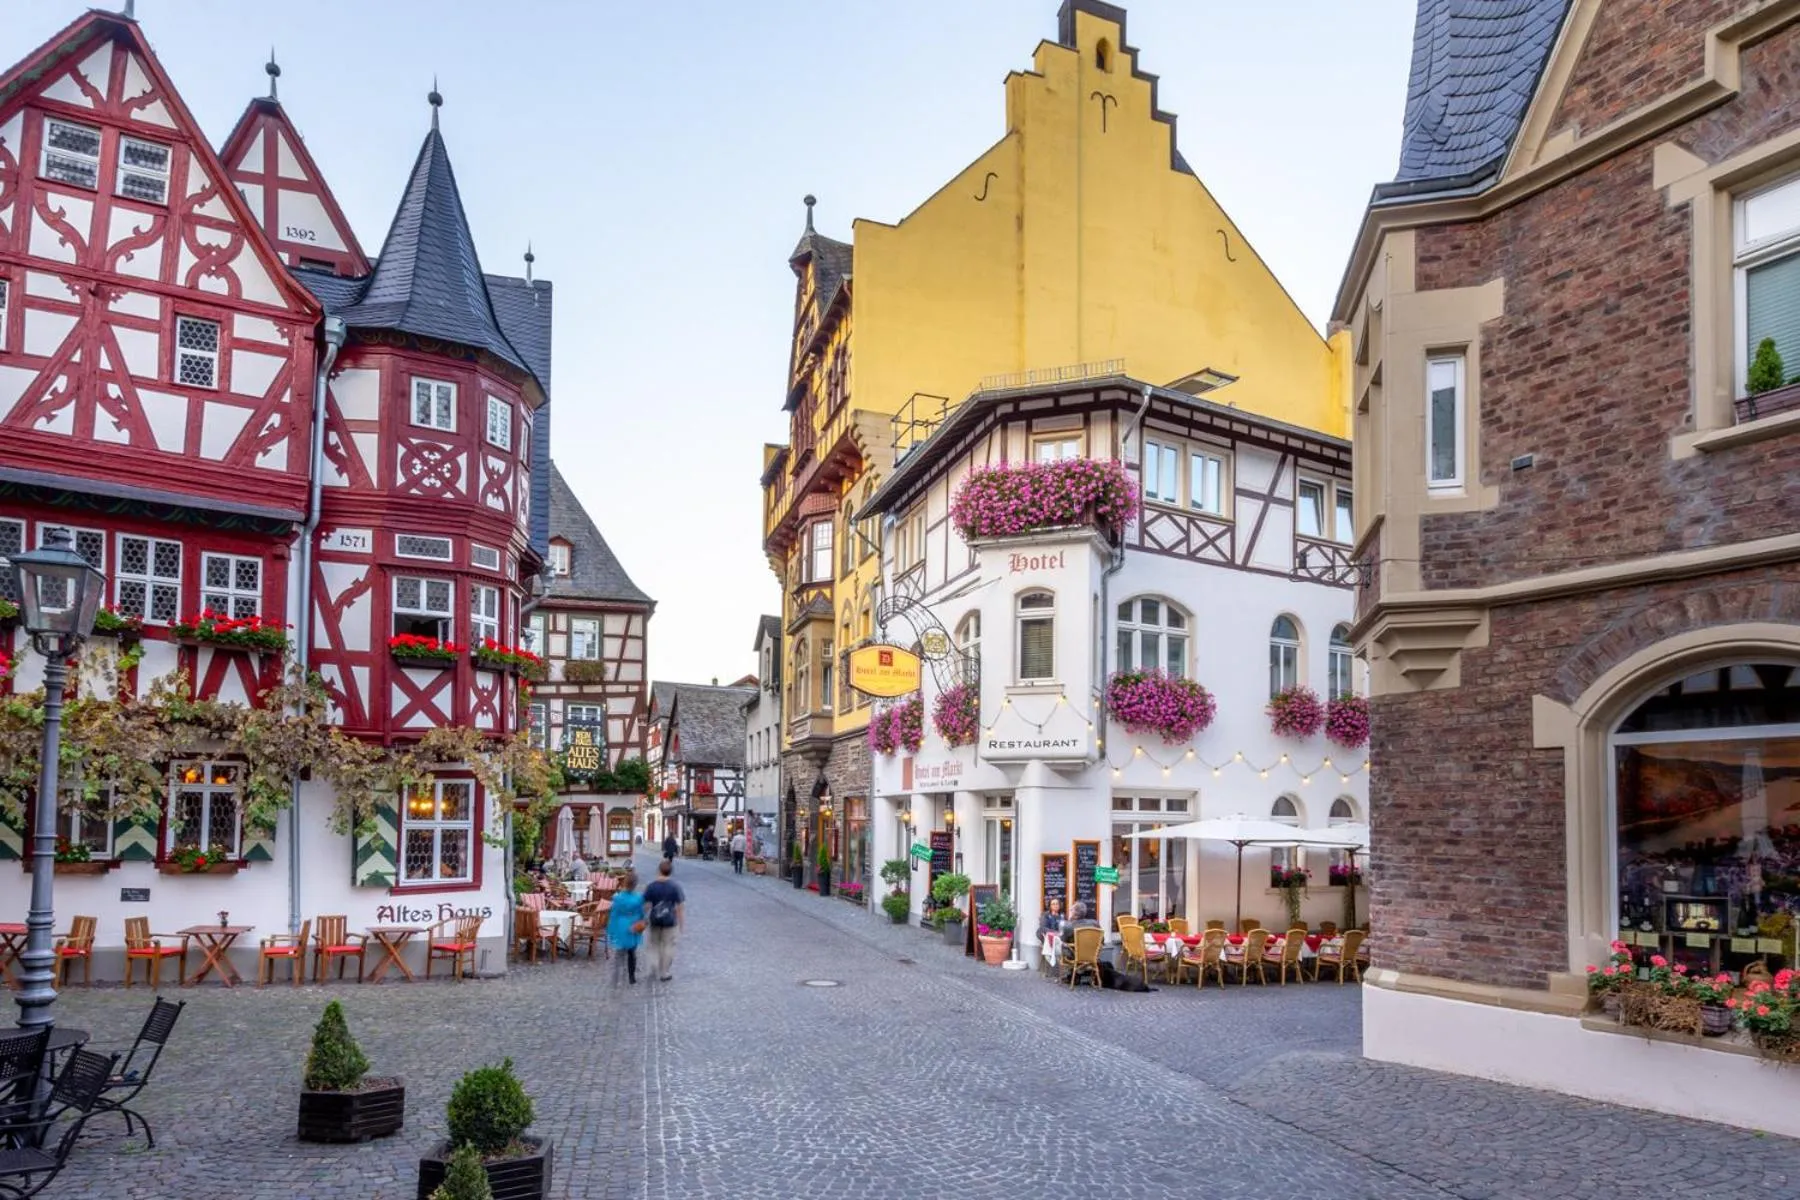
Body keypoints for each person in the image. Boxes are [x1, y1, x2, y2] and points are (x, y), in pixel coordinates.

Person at [641, 857, 686, 982]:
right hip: (670, 921)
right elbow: (680, 907)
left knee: (653, 944)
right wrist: (681, 924)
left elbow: (647, 905)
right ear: (670, 872)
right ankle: (664, 972)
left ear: (659, 870)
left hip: (655, 920)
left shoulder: (651, 886)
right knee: (668, 946)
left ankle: (653, 965)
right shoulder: (675, 886)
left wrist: (642, 917)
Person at [605, 868, 647, 984]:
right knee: (632, 952)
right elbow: (642, 913)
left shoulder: (618, 898)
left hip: (621, 926)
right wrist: (642, 923)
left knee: (619, 953)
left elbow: (614, 914)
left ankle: (616, 977)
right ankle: (631, 976)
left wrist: (611, 929)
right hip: (633, 925)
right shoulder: (638, 898)